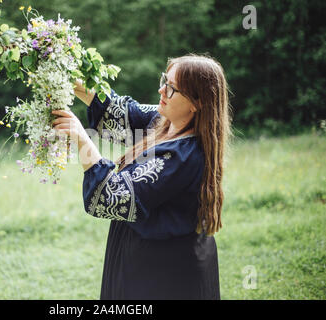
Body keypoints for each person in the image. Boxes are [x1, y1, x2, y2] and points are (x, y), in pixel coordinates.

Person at [51, 54, 231, 300]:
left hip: (164, 270)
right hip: (145, 255)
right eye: (164, 80)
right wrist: (65, 74)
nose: (161, 90)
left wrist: (82, 138)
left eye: (172, 88)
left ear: (196, 103)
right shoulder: (165, 121)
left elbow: (111, 197)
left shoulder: (182, 156)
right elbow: (119, 111)